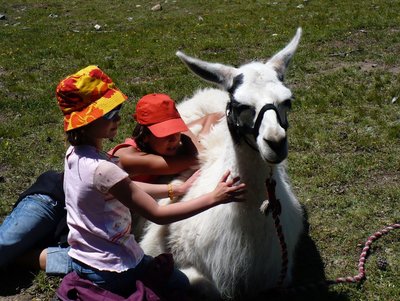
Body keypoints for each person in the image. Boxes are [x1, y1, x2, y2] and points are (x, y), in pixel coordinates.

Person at [56, 65, 246, 297]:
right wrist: (214, 197)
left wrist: (175, 188)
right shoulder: (106, 168)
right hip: (115, 268)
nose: (117, 118)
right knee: (183, 286)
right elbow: (157, 214)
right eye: (108, 114)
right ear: (85, 122)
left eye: (117, 109)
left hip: (83, 259)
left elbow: (121, 187)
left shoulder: (74, 155)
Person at [0, 93, 222, 277]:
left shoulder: (163, 144)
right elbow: (196, 158)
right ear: (145, 132)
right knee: (5, 246)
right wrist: (191, 134)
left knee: (89, 261)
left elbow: (210, 116)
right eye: (165, 133)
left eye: (176, 132)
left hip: (91, 218)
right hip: (54, 198)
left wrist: (184, 129)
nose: (174, 139)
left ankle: (22, 256)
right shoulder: (130, 157)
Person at [0, 171, 69, 274]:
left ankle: (17, 254)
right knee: (4, 244)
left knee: (92, 263)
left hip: (73, 234)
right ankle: (15, 253)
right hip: (55, 199)